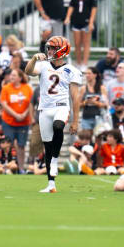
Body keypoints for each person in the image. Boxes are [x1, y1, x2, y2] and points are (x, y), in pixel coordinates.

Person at [25, 35, 82, 193]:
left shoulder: (72, 70)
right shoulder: (43, 65)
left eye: (53, 48)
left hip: (61, 107)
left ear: (62, 50)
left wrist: (75, 121)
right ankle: (51, 184)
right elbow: (28, 71)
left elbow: (75, 98)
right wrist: (34, 59)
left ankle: (56, 161)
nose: (49, 50)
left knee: (58, 126)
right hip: (44, 109)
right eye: (48, 47)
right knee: (48, 147)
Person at [0, 69, 32, 172]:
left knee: (21, 145)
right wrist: (16, 115)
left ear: (20, 77)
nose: (11, 77)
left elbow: (31, 103)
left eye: (14, 75)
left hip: (24, 122)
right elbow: (4, 104)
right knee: (8, 144)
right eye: (11, 75)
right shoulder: (6, 88)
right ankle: (8, 167)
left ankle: (21, 168)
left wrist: (24, 114)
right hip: (9, 121)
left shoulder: (27, 88)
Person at [63, 0, 97, 70]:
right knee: (77, 43)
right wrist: (68, 17)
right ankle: (78, 62)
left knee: (86, 43)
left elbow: (94, 8)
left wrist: (91, 22)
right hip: (76, 21)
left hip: (86, 21)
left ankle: (84, 63)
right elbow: (71, 6)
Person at [79, 67, 107, 132]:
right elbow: (78, 104)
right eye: (86, 74)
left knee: (98, 138)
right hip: (86, 117)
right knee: (87, 138)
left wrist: (96, 103)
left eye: (89, 73)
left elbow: (106, 104)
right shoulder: (83, 88)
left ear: (95, 75)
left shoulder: (102, 88)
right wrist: (85, 102)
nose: (87, 75)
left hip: (99, 117)